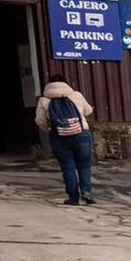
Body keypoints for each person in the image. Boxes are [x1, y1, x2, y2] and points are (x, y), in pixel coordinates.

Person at [35, 72, 96, 206]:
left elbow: (40, 120)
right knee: (84, 165)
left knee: (68, 167)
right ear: (66, 83)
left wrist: (51, 129)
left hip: (59, 137)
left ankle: (73, 198)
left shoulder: (44, 100)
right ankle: (86, 192)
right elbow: (88, 111)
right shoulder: (76, 95)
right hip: (81, 135)